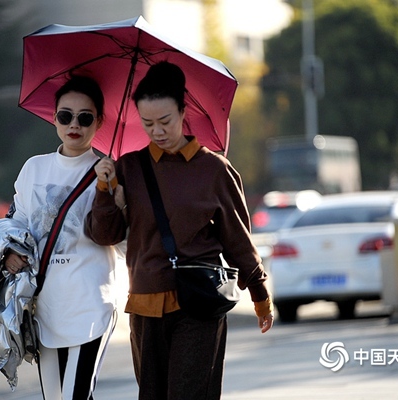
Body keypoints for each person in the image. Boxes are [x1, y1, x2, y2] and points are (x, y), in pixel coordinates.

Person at [85, 61, 274, 400]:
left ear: (183, 112)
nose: (157, 131)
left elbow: (237, 237)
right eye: (147, 123)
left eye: (165, 121)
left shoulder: (214, 170)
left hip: (199, 303)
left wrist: (260, 294)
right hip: (144, 304)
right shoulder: (128, 167)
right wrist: (104, 189)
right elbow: (105, 235)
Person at [3, 75, 118, 399]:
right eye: (65, 115)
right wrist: (11, 254)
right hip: (45, 305)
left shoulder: (108, 172)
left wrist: (108, 192)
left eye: (85, 118)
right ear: (53, 117)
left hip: (90, 305)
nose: (74, 125)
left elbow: (119, 241)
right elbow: (18, 224)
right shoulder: (34, 169)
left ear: (99, 121)